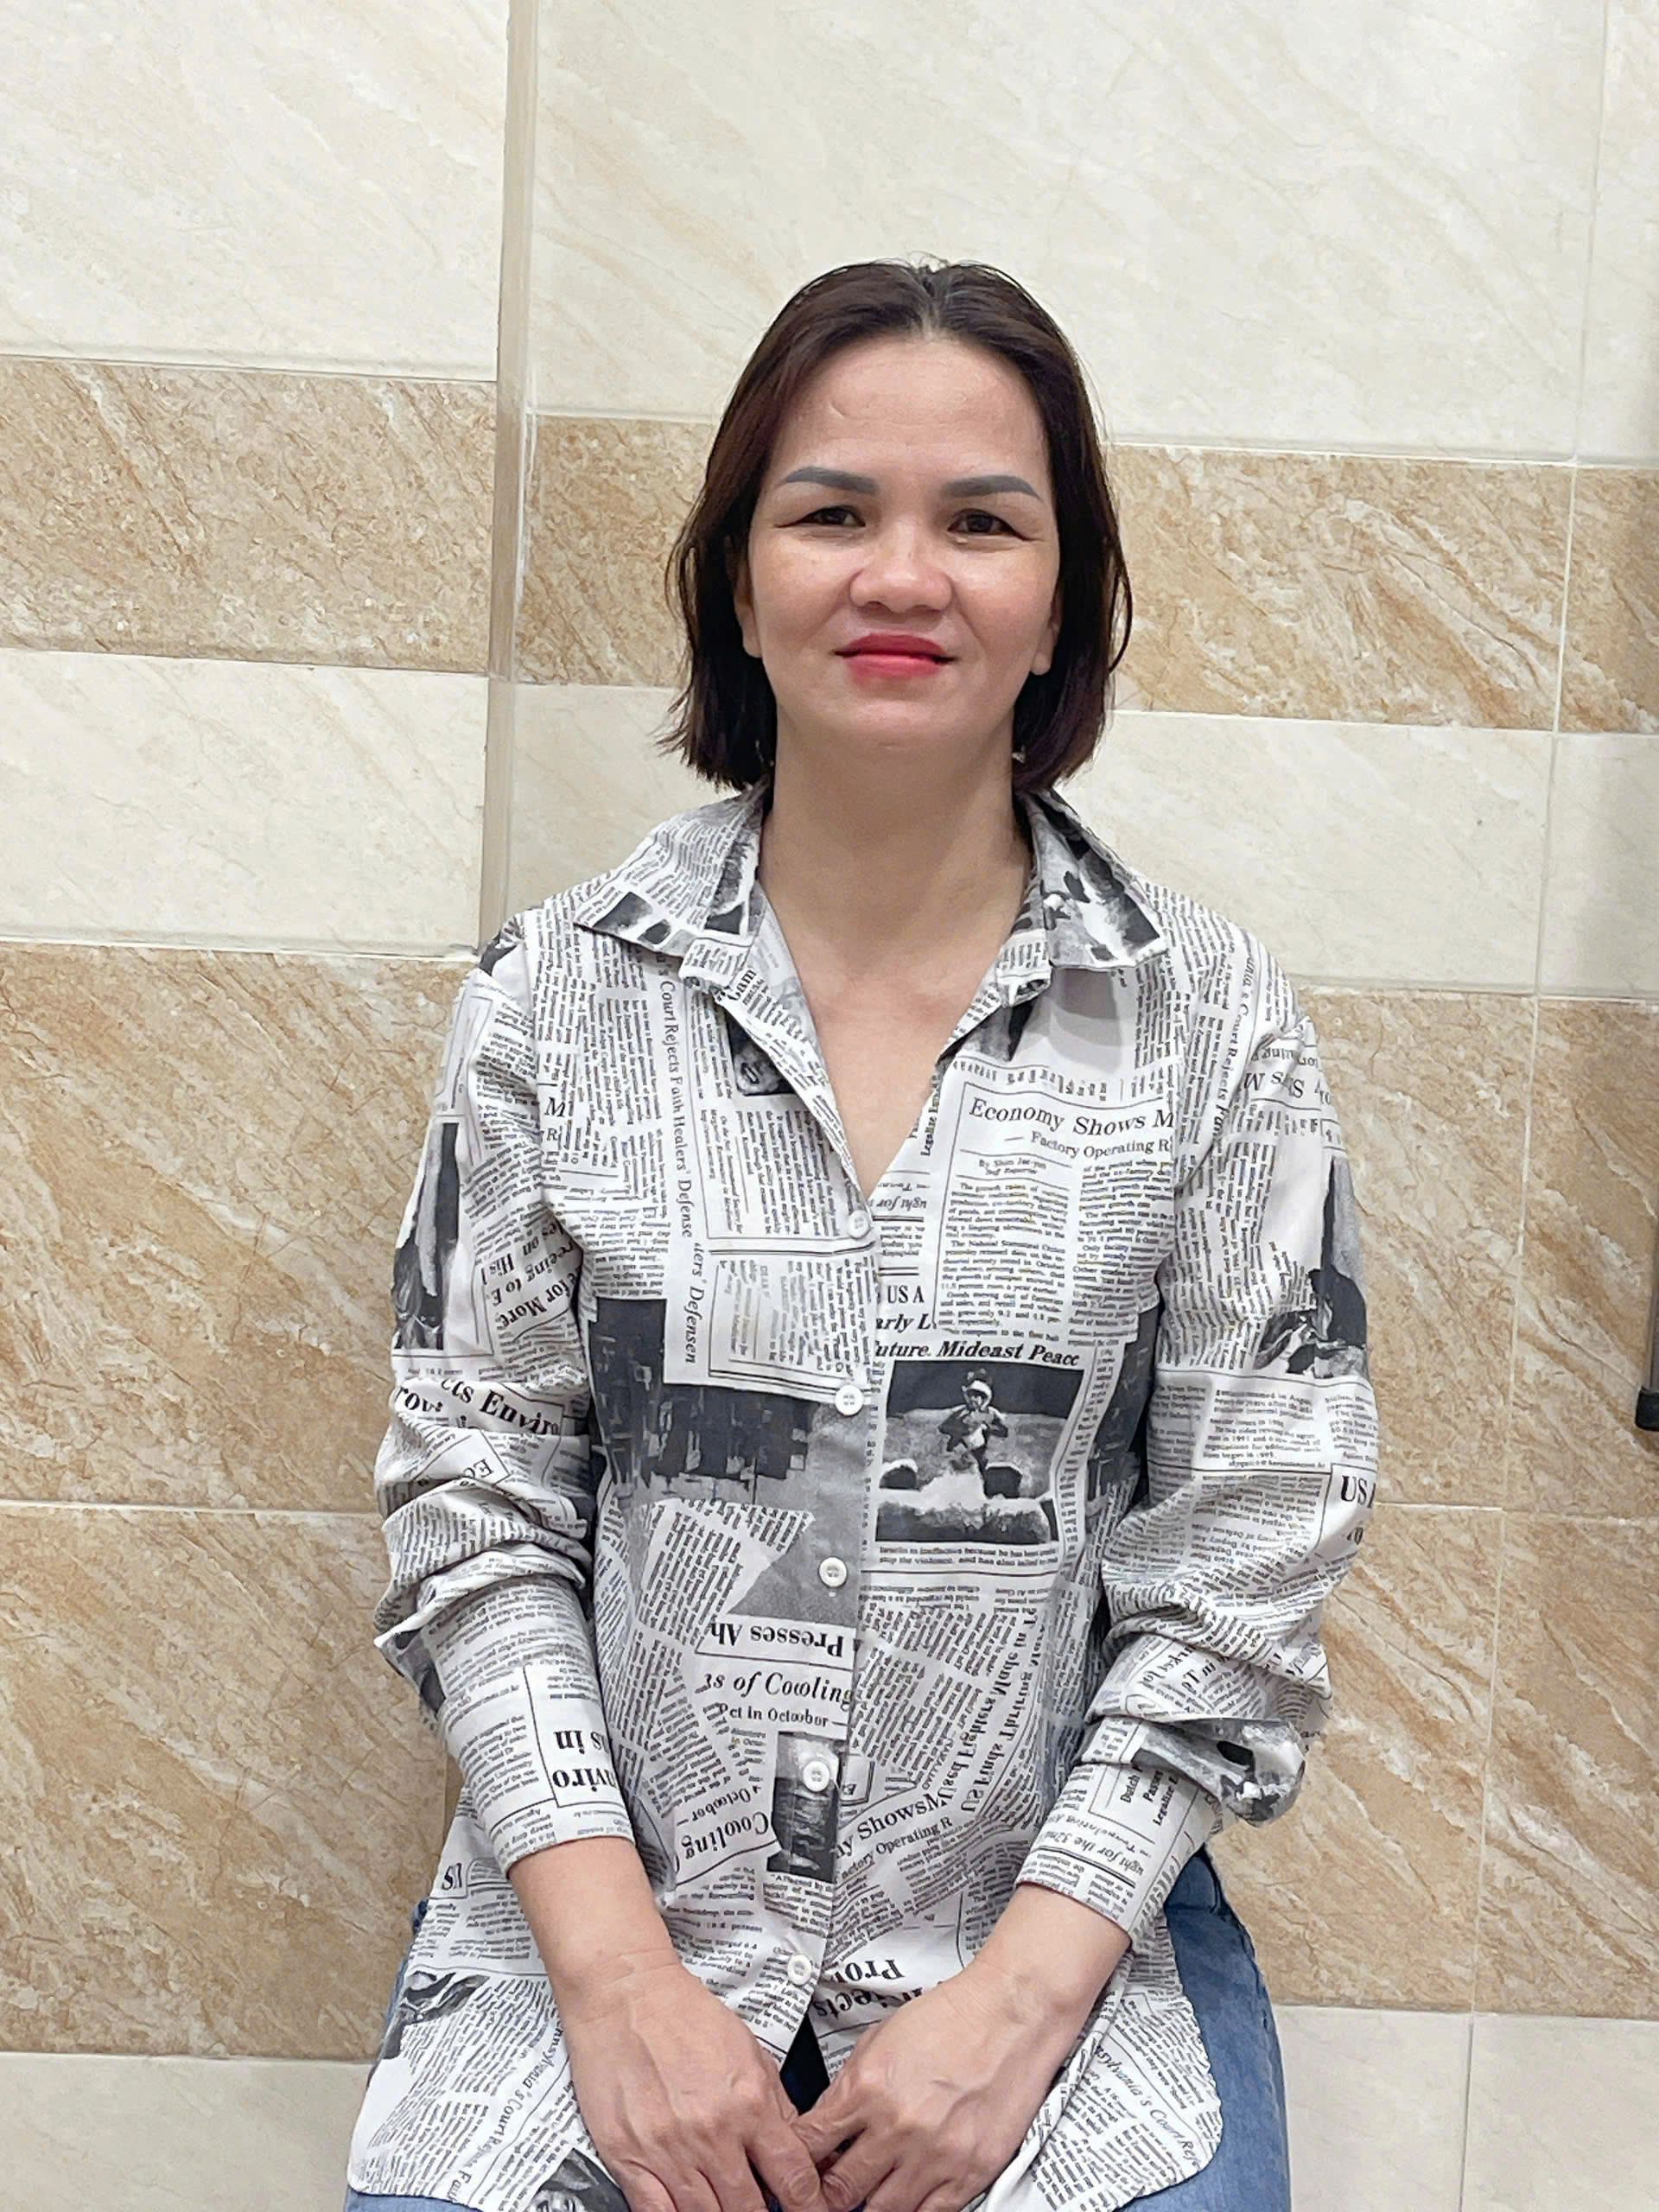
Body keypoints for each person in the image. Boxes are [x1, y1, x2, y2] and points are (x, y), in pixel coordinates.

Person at [345, 259, 1377, 2212]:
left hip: (1054, 1947)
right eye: (832, 512)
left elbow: (1249, 1548)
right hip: (603, 1929)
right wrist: (620, 1986)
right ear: (738, 585)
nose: (903, 576)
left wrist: (1017, 2003)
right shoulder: (555, 998)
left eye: (982, 522)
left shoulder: (1214, 1022)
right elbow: (476, 1508)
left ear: (1064, 598)